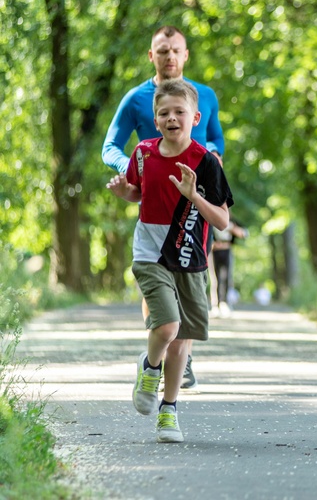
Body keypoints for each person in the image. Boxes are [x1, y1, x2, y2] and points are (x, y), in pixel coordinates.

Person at [106, 78, 234, 443]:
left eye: (180, 112)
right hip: (150, 253)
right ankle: (150, 368)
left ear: (196, 118)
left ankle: (169, 409)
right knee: (166, 326)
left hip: (190, 256)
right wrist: (122, 193)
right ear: (155, 118)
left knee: (182, 341)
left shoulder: (206, 162)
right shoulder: (143, 154)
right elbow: (137, 192)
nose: (172, 117)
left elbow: (222, 221)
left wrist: (194, 196)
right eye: (164, 113)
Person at [102, 25, 225, 390]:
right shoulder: (136, 98)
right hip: (154, 201)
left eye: (175, 50)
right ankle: (161, 343)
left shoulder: (205, 96)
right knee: (157, 286)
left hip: (195, 204)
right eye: (162, 51)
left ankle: (178, 357)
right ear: (151, 56)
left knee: (188, 281)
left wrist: (214, 159)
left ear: (185, 55)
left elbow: (216, 137)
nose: (169, 56)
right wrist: (135, 170)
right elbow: (110, 146)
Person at [211, 219, 248, 318]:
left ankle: (225, 303)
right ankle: (216, 304)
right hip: (214, 252)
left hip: (227, 251)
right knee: (215, 278)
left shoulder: (232, 221)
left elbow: (244, 233)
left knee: (227, 277)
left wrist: (233, 229)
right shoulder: (211, 218)